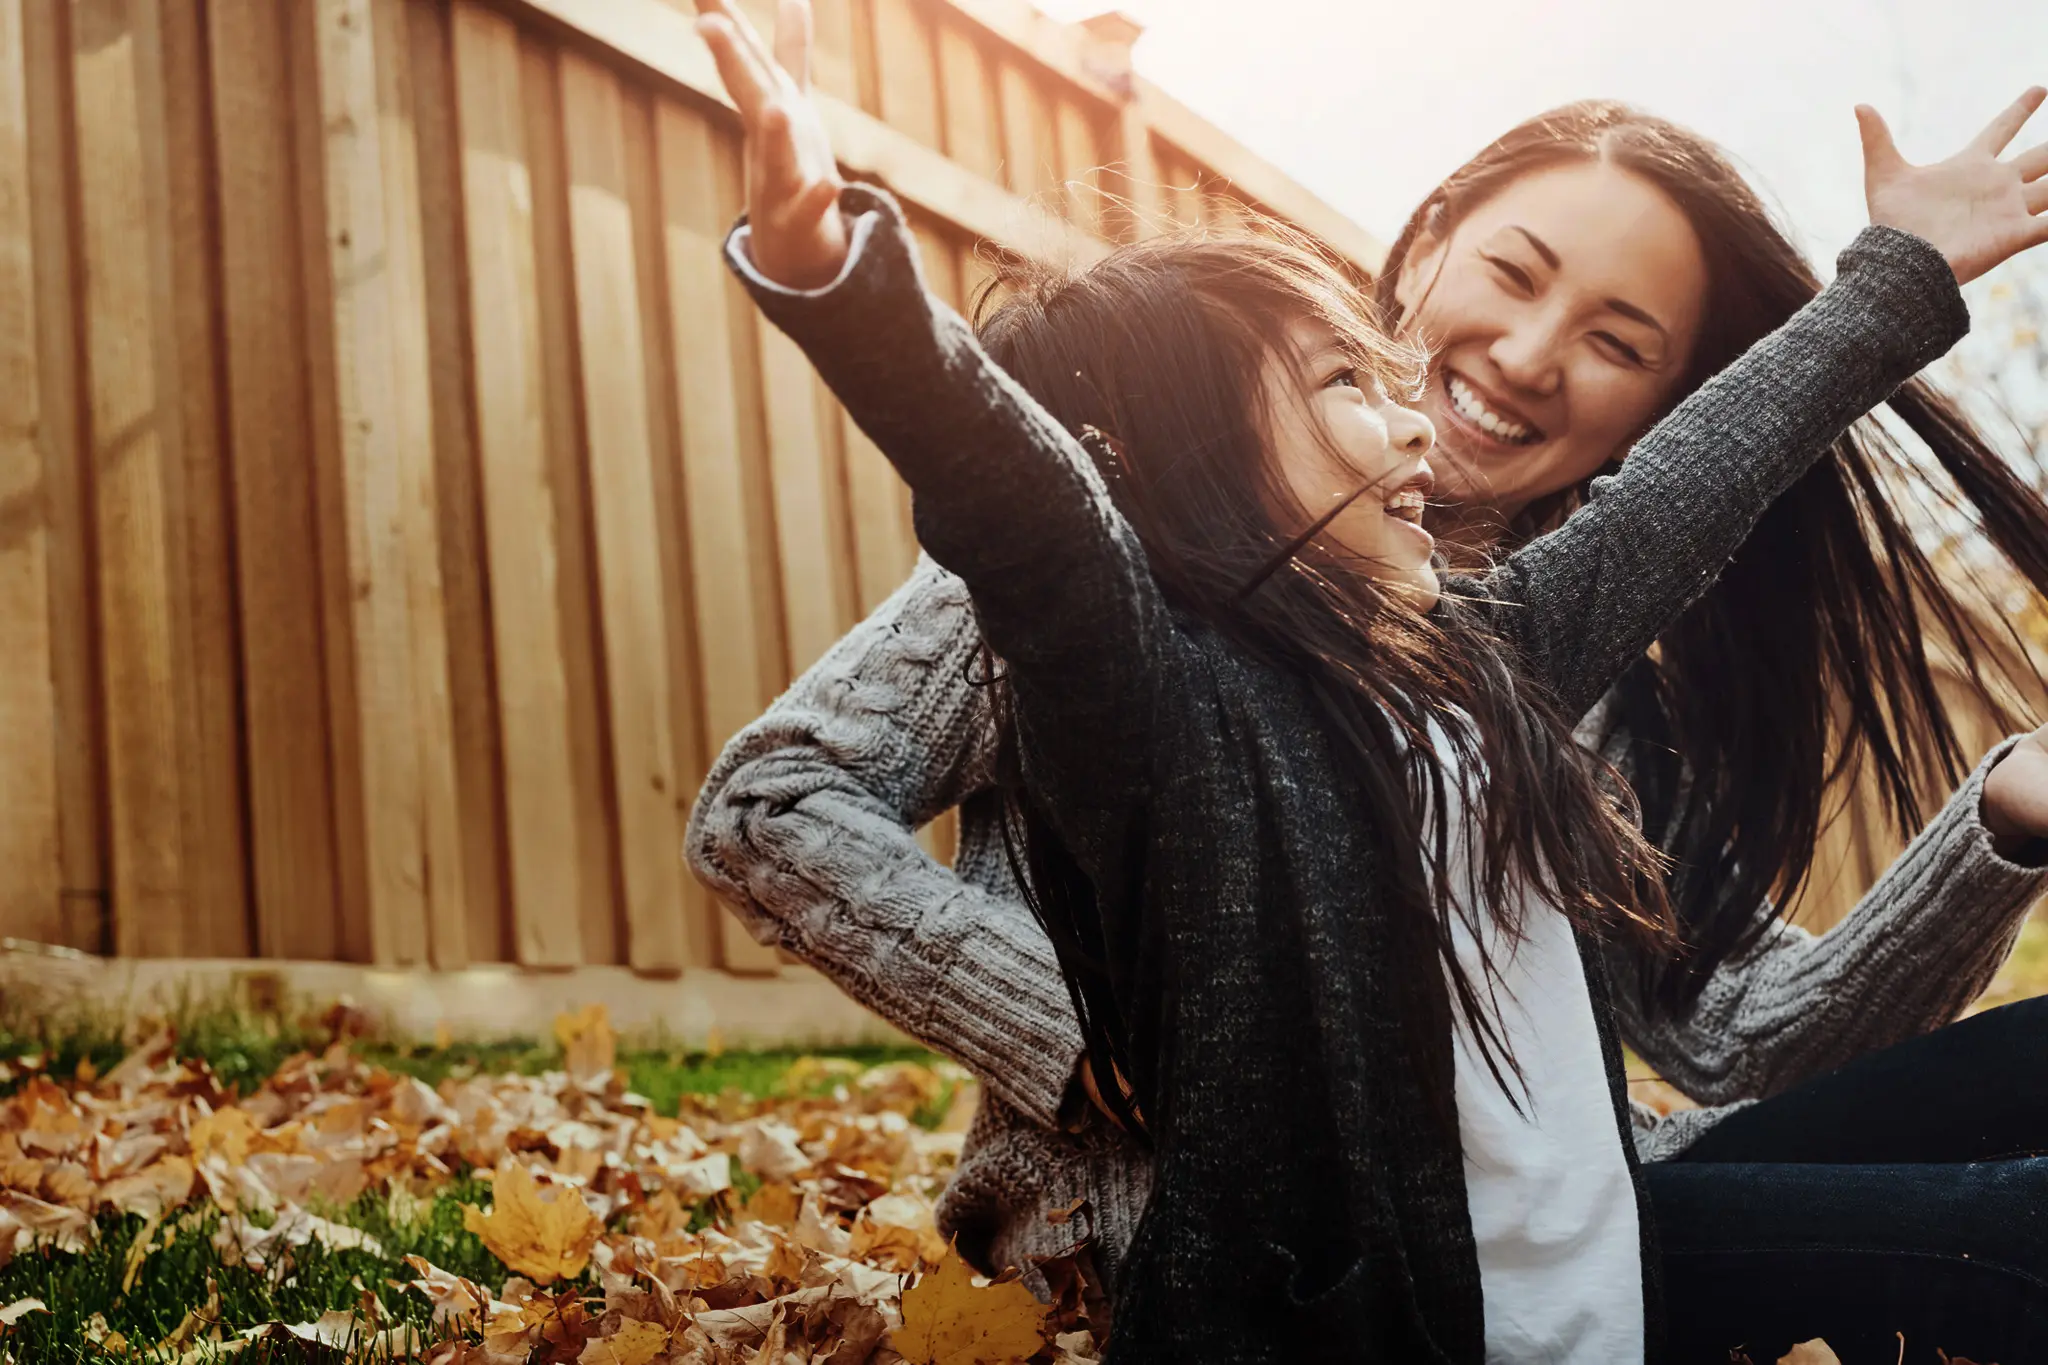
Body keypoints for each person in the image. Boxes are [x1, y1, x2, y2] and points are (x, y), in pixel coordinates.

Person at [689, 1, 2048, 1356]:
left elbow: (1691, 505)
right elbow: (863, 703)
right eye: (1515, 275)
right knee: (1991, 1237)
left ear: (1666, 397)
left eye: (1620, 342)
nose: (1513, 362)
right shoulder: (1133, 636)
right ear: (1435, 232)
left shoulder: (1509, 655)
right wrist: (1116, 1042)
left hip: (1569, 1212)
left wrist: (2012, 817)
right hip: (1288, 1255)